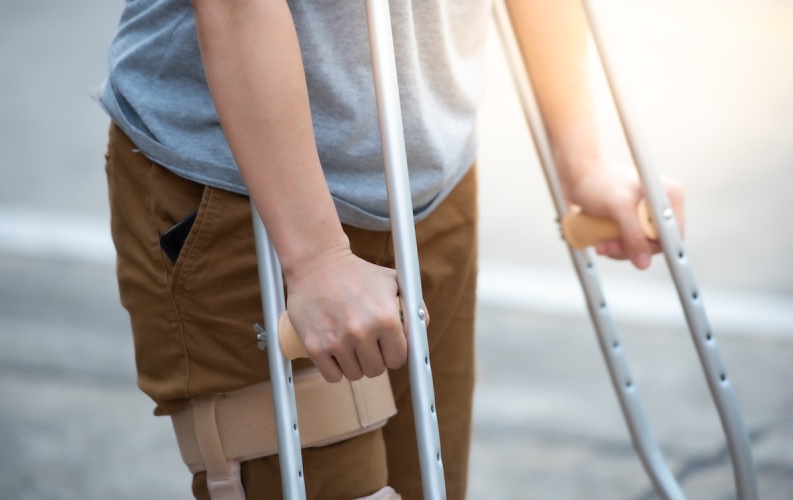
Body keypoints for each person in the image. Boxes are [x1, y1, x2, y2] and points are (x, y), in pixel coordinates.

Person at [100, 0, 683, 498]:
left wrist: (582, 157)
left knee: (430, 484)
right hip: (245, 191)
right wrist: (316, 257)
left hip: (427, 179)